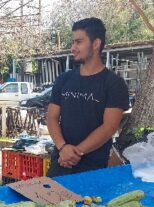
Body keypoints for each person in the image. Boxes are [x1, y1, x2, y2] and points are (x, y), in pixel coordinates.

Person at [46, 18, 129, 177]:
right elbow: (52, 117)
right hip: (60, 162)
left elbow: (109, 127)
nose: (73, 48)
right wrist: (63, 148)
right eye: (73, 42)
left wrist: (75, 153)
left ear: (96, 43)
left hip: (94, 169)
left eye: (78, 42)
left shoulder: (114, 84)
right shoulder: (64, 79)